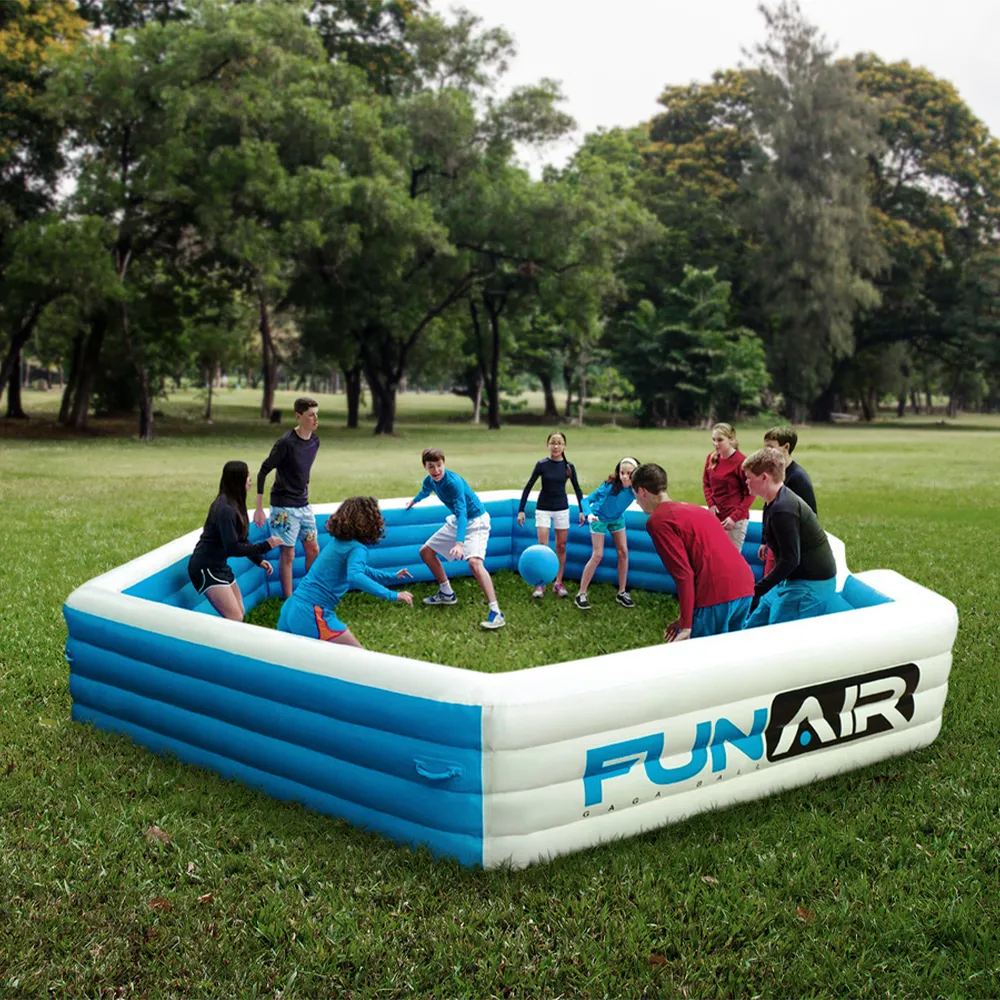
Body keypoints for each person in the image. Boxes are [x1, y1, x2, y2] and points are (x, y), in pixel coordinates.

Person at [632, 462, 755, 642]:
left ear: (642, 491)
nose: (636, 501)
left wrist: (687, 626)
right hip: (744, 586)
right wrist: (684, 617)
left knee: (703, 660)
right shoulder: (697, 510)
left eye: (635, 495)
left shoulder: (659, 521)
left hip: (716, 593)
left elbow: (683, 574)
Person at [277, 496, 413, 648]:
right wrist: (392, 595)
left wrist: (392, 576)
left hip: (292, 606)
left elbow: (361, 570)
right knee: (359, 657)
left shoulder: (338, 543)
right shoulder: (357, 548)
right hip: (312, 614)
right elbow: (355, 576)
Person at [404, 447, 506, 630]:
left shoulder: (453, 482)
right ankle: (447, 593)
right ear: (425, 467)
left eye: (439, 465)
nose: (436, 470)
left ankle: (496, 612)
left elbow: (462, 512)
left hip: (475, 521)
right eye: (431, 466)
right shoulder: (431, 480)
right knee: (426, 552)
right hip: (459, 521)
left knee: (474, 563)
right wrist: (414, 501)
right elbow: (425, 489)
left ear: (444, 464)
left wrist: (460, 543)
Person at [741, 447, 837, 629]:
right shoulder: (773, 502)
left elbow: (790, 560)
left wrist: (756, 589)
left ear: (764, 477)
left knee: (777, 631)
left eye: (748, 477)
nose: (745, 482)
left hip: (810, 584)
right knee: (754, 623)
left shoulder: (784, 509)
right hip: (792, 578)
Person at [188, 461, 283, 621]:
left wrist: (258, 560)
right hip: (206, 568)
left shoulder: (234, 503)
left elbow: (241, 538)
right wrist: (265, 546)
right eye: (247, 476)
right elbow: (233, 547)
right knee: (235, 617)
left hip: (219, 565)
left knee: (239, 612)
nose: (250, 480)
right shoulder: (225, 509)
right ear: (237, 479)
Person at [253, 397, 321, 599]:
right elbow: (263, 471)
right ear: (298, 416)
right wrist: (259, 508)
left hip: (304, 505)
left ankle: (311, 594)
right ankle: (289, 599)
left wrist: (305, 484)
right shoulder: (285, 443)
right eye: (311, 415)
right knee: (288, 554)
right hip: (283, 507)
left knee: (313, 549)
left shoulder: (315, 442)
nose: (316, 419)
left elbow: (303, 470)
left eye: (317, 414)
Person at [516, 431, 587, 598]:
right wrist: (521, 510)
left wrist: (583, 510)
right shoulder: (541, 464)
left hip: (561, 508)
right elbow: (528, 486)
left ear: (564, 446)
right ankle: (541, 584)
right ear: (548, 445)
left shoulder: (569, 467)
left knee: (561, 547)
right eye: (553, 442)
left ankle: (558, 582)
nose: (556, 446)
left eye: (559, 443)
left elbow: (577, 489)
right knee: (543, 547)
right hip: (543, 509)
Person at [574, 457, 639, 611]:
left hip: (617, 519)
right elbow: (586, 501)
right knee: (598, 554)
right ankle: (581, 593)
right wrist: (588, 514)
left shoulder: (635, 489)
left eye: (629, 474)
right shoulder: (609, 486)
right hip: (599, 518)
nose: (624, 476)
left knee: (623, 552)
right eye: (622, 472)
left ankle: (622, 592)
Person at [758, 425, 817, 576]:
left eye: (771, 447)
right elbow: (768, 506)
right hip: (775, 542)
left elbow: (810, 515)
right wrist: (765, 539)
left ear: (786, 447)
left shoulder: (797, 478)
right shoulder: (774, 472)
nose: (766, 452)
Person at [702, 422, 754, 551]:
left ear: (731, 440)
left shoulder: (741, 462)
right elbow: (706, 483)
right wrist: (711, 504)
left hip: (735, 521)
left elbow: (751, 494)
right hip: (716, 518)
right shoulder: (711, 458)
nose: (715, 444)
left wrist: (734, 518)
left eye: (720, 440)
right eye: (713, 440)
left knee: (732, 559)